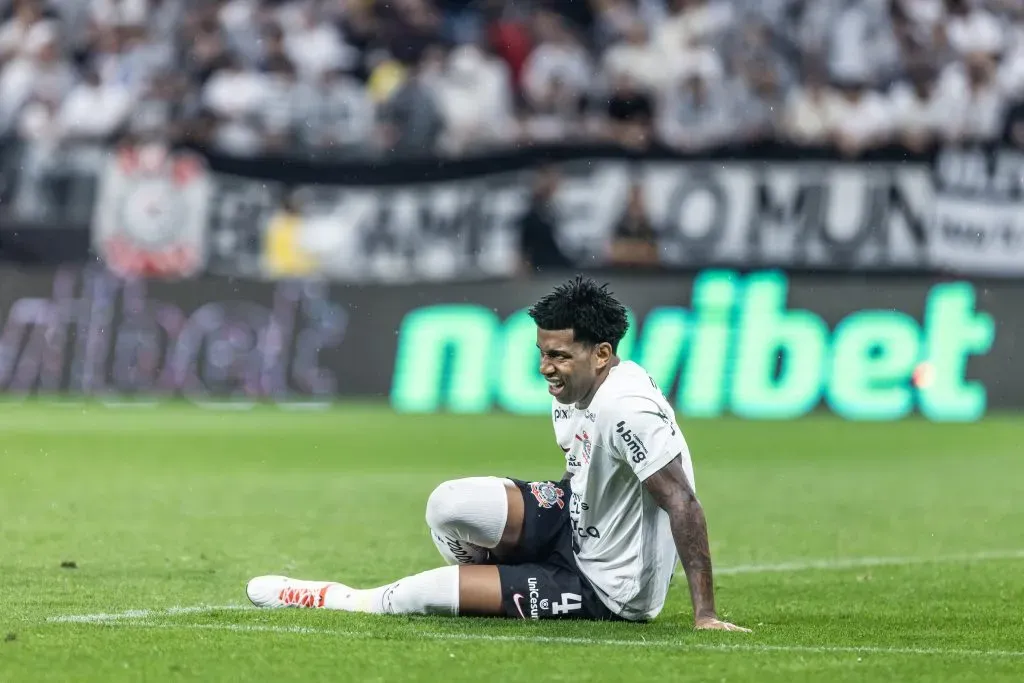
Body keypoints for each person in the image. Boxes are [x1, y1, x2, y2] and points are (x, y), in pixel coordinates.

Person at [246, 276, 749, 632]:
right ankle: (502, 574)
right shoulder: (577, 390)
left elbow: (681, 500)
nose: (545, 368)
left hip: (607, 588)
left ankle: (335, 598)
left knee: (417, 599)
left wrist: (703, 613)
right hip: (574, 519)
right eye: (541, 353)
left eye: (558, 356)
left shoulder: (627, 406)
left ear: (601, 353)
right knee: (446, 506)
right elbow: (587, 467)